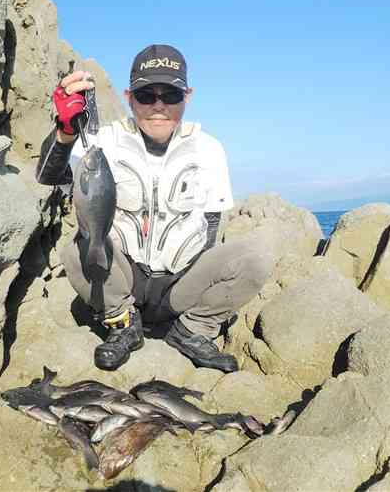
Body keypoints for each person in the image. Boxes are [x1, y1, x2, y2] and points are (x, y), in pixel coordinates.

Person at [35, 44, 272, 373]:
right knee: (76, 251)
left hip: (179, 284)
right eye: (146, 95)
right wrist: (65, 132)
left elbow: (213, 226)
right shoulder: (104, 141)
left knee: (255, 258)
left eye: (170, 95)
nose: (158, 107)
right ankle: (122, 323)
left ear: (187, 96)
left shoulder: (209, 149)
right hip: (124, 276)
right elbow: (49, 175)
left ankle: (191, 330)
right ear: (128, 96)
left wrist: (201, 287)